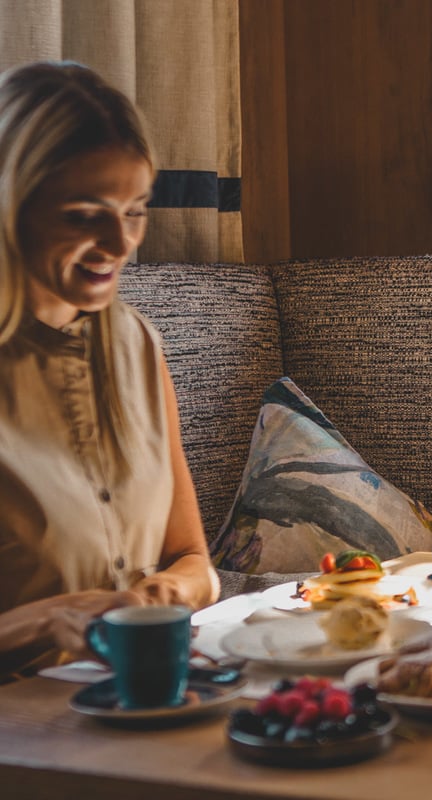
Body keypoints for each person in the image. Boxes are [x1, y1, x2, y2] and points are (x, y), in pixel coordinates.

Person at [0, 61, 219, 680]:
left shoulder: (136, 343)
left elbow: (195, 562)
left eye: (135, 210)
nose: (122, 244)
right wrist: (46, 620)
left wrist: (153, 599)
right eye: (83, 214)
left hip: (143, 697)